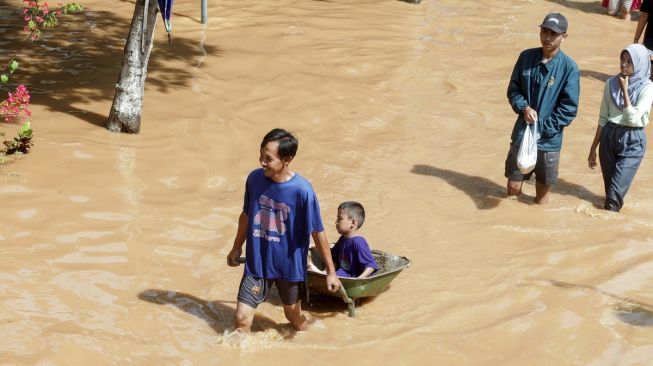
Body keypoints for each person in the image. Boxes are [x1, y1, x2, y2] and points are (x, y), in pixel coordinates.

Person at [226, 128, 340, 333]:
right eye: (261, 155)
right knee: (241, 318)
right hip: (257, 263)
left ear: (287, 160)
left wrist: (331, 272)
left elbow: (318, 231)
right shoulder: (254, 179)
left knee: (292, 315)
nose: (262, 162)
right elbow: (246, 216)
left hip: (289, 267)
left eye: (268, 158)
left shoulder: (302, 191)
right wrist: (236, 248)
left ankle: (314, 338)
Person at [505, 12, 580, 204]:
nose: (547, 38)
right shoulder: (526, 57)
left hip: (549, 139)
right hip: (523, 132)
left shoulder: (569, 68)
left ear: (564, 36)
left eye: (553, 34)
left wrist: (543, 128)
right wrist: (524, 107)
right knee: (513, 187)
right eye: (544, 31)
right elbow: (513, 90)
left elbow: (569, 109)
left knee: (541, 193)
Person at [588, 44, 653, 212]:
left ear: (640, 63)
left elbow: (632, 118)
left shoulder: (647, 88)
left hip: (632, 141)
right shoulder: (610, 83)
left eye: (630, 61)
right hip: (609, 138)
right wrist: (593, 147)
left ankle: (605, 228)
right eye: (622, 59)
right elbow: (603, 117)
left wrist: (624, 90)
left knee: (612, 199)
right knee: (610, 194)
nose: (624, 64)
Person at [308, 201, 378, 278]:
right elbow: (332, 257)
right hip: (340, 273)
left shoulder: (359, 242)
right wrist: (316, 247)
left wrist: (359, 279)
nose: (336, 222)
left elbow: (371, 265)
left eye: (339, 219)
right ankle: (324, 273)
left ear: (353, 223)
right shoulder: (342, 239)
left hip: (350, 277)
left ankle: (321, 274)